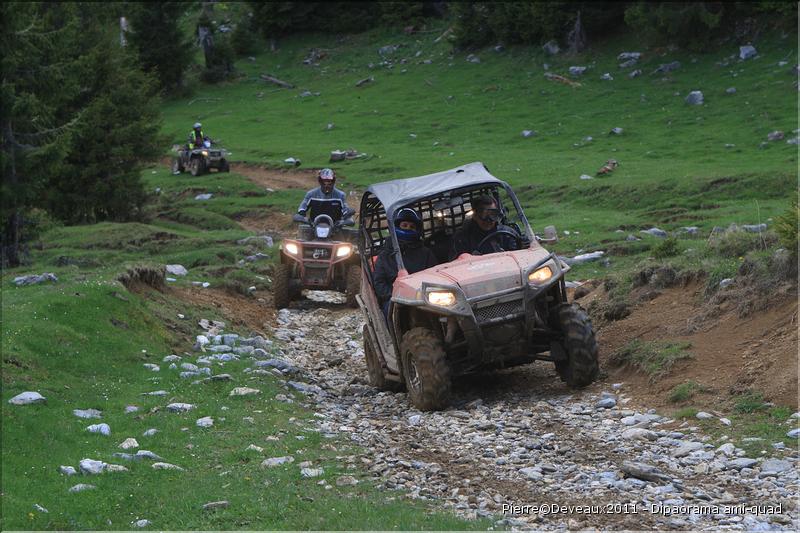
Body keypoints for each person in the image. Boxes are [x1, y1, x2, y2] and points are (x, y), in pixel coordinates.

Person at [374, 208, 437, 319]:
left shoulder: (425, 253)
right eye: (405, 225)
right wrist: (396, 296)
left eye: (412, 227)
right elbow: (379, 283)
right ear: (397, 227)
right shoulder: (385, 255)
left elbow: (435, 276)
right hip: (395, 299)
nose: (408, 228)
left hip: (424, 298)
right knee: (392, 311)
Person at [450, 195, 520, 258]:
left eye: (493, 214)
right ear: (475, 215)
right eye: (484, 214)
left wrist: (523, 245)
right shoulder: (462, 238)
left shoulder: (507, 233)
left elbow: (520, 255)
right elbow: (456, 264)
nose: (488, 220)